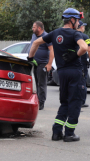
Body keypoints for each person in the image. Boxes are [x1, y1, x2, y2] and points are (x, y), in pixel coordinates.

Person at [28, 8, 87, 142]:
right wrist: (75, 55)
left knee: (64, 102)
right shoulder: (75, 34)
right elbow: (83, 47)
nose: (78, 23)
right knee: (76, 102)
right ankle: (69, 133)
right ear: (72, 20)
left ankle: (56, 132)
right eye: (77, 20)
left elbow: (36, 42)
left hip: (61, 73)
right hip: (74, 72)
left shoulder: (55, 33)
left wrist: (30, 59)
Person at [29, 21, 54, 110]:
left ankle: (41, 102)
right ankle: (36, 101)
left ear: (39, 28)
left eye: (34, 27)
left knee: (41, 84)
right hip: (34, 63)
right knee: (35, 83)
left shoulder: (46, 37)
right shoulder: (34, 36)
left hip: (43, 63)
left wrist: (49, 64)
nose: (32, 29)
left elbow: (52, 50)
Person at [77, 20, 90, 107]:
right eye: (84, 26)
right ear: (81, 27)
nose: (84, 28)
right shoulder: (85, 36)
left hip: (74, 61)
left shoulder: (72, 35)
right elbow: (88, 49)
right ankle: (81, 101)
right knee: (83, 81)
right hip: (83, 62)